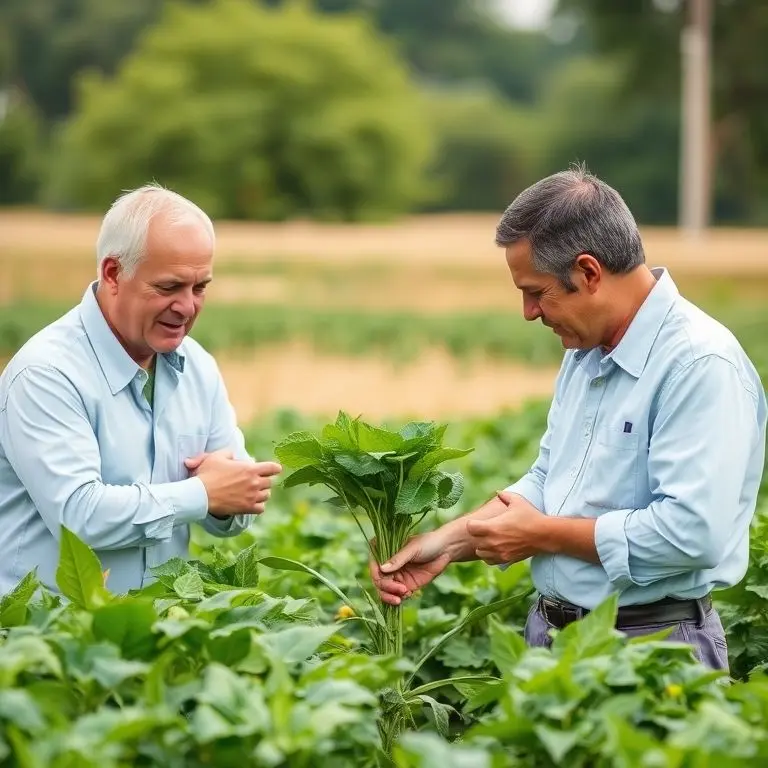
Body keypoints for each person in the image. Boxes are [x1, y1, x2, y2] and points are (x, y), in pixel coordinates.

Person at [370, 165, 767, 671]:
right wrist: (448, 542)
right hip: (553, 636)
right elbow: (549, 480)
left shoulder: (698, 363)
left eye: (537, 292)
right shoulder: (587, 351)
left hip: (651, 646)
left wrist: (542, 535)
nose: (528, 312)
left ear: (588, 272)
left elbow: (691, 532)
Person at [0, 183, 282, 596]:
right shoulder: (47, 373)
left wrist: (227, 496)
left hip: (158, 631)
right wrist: (201, 492)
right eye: (169, 288)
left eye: (199, 288)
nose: (187, 307)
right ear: (113, 274)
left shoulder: (198, 367)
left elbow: (237, 507)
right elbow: (82, 516)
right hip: (47, 635)